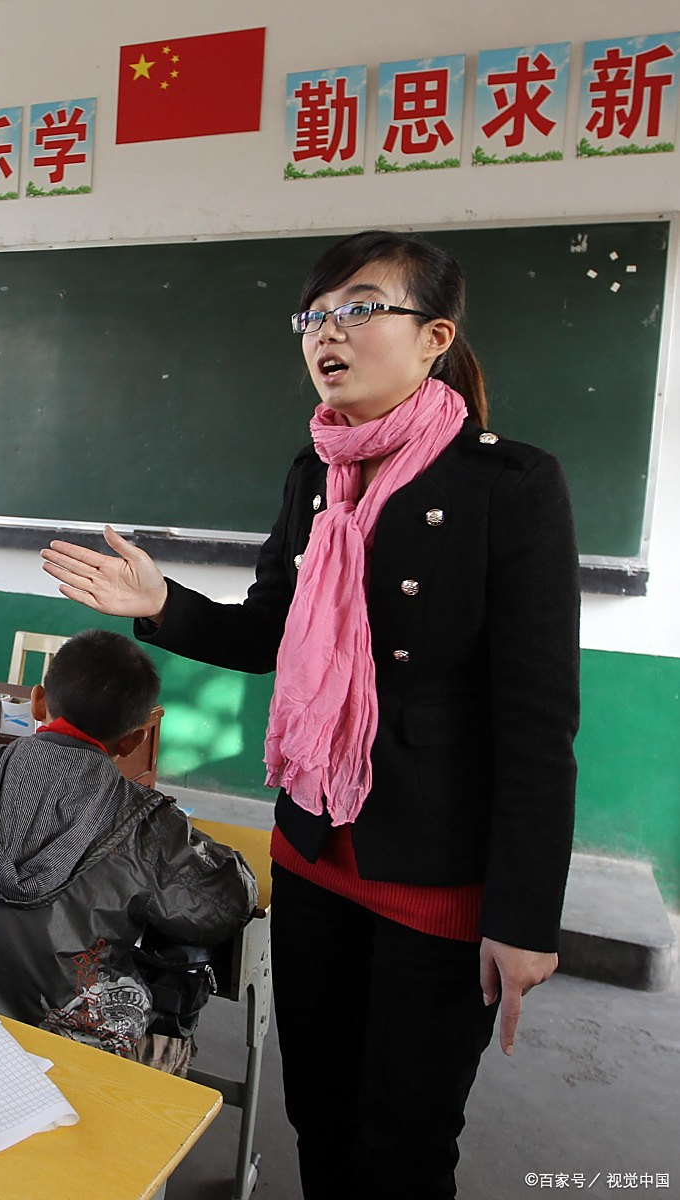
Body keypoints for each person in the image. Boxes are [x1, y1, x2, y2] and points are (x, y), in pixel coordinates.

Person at [39, 231, 580, 1196]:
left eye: (361, 308)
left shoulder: (511, 486)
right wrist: (159, 603)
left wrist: (526, 913)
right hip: (315, 849)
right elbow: (269, 635)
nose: (328, 332)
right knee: (317, 1113)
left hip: (437, 872)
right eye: (315, 315)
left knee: (404, 1144)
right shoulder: (314, 476)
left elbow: (538, 719)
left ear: (433, 336)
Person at [0, 629, 257, 1075]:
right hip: (76, 1048)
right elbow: (221, 906)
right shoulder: (143, 820)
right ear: (134, 740)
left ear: (39, 701)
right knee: (169, 1020)